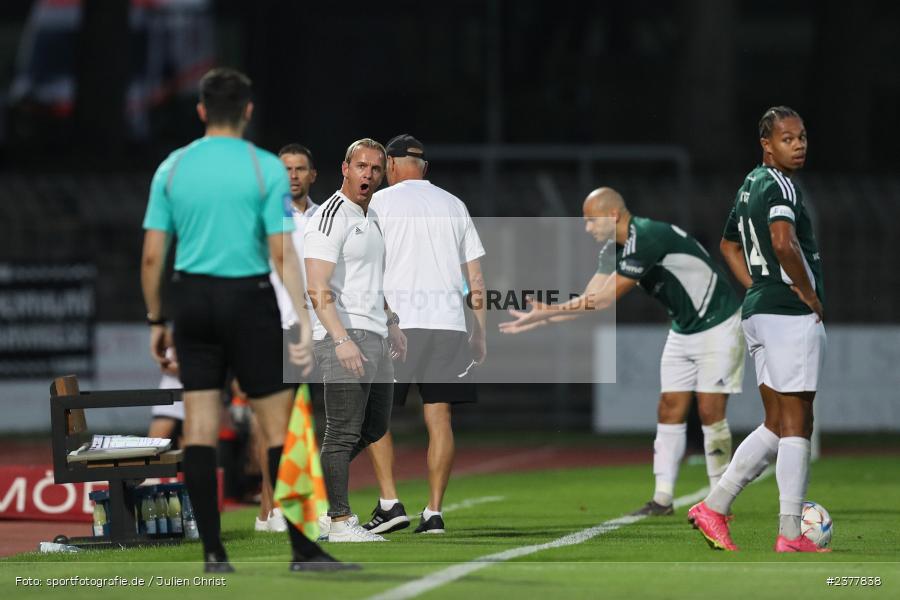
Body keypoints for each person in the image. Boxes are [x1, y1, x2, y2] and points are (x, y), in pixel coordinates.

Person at [141, 67, 351, 572]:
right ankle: (302, 550)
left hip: (191, 297)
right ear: (249, 111)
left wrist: (156, 318)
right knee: (279, 429)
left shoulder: (172, 167)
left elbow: (152, 257)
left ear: (200, 111)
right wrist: (301, 318)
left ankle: (214, 554)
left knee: (199, 428)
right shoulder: (266, 170)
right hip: (250, 299)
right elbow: (282, 254)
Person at [500, 187, 744, 516]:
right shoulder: (611, 250)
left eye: (590, 220)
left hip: (719, 323)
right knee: (669, 407)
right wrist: (543, 318)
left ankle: (718, 500)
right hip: (683, 328)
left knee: (710, 410)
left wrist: (549, 310)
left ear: (612, 214)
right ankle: (662, 499)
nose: (586, 228)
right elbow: (590, 297)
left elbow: (604, 299)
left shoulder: (646, 236)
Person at [687, 106, 827, 553]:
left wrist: (757, 287)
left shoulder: (750, 183)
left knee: (776, 422)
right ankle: (790, 533)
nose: (799, 144)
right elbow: (783, 242)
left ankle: (715, 506)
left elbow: (728, 243)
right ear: (767, 144)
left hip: (760, 310)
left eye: (802, 136)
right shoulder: (781, 184)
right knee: (798, 422)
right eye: (788, 139)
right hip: (787, 313)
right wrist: (805, 291)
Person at [360, 134, 487, 535]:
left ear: (392, 167)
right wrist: (480, 329)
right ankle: (433, 512)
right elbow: (476, 276)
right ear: (425, 168)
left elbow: (363, 264)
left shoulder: (378, 203)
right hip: (448, 323)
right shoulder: (454, 204)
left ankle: (389, 502)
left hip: (395, 322)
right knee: (440, 417)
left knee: (374, 415)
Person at [304, 138, 407, 542]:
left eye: (375, 169)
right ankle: (343, 519)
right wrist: (340, 339)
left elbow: (372, 280)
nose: (367, 174)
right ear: (344, 168)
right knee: (343, 430)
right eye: (360, 166)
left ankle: (326, 504)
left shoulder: (373, 215)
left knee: (375, 426)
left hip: (376, 333)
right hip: (344, 335)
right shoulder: (332, 216)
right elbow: (317, 286)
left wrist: (391, 321)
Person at [254, 142, 319, 533]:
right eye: (286, 169)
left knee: (312, 421)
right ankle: (270, 507)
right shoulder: (263, 216)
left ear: (313, 174)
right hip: (275, 324)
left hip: (319, 326)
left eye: (300, 169)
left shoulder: (327, 216)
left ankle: (308, 503)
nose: (293, 176)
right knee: (273, 424)